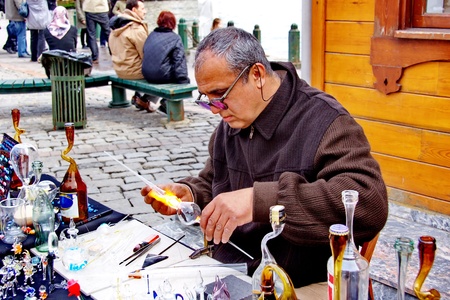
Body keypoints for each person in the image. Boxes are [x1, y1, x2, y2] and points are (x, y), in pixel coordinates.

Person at [141, 27, 389, 288]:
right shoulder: (230, 123)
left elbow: (369, 203)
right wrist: (190, 194)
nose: (215, 110)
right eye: (207, 99)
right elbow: (214, 181)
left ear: (257, 75)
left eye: (220, 96)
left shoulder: (324, 121)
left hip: (297, 284)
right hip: (229, 272)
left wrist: (259, 202)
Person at [142, 10, 190, 114]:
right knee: (177, 79)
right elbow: (179, 61)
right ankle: (166, 102)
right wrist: (183, 81)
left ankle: (146, 98)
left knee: (161, 74)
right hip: (161, 75)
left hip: (146, 73)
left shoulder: (151, 35)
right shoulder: (175, 38)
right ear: (173, 23)